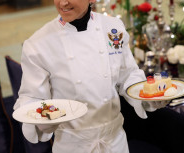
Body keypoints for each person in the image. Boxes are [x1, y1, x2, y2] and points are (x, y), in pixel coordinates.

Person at [14, 0, 168, 152]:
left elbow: (128, 75)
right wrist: (42, 121)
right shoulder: (38, 44)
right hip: (72, 147)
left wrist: (149, 97)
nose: (62, 3)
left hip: (115, 143)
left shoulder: (113, 27)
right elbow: (31, 99)